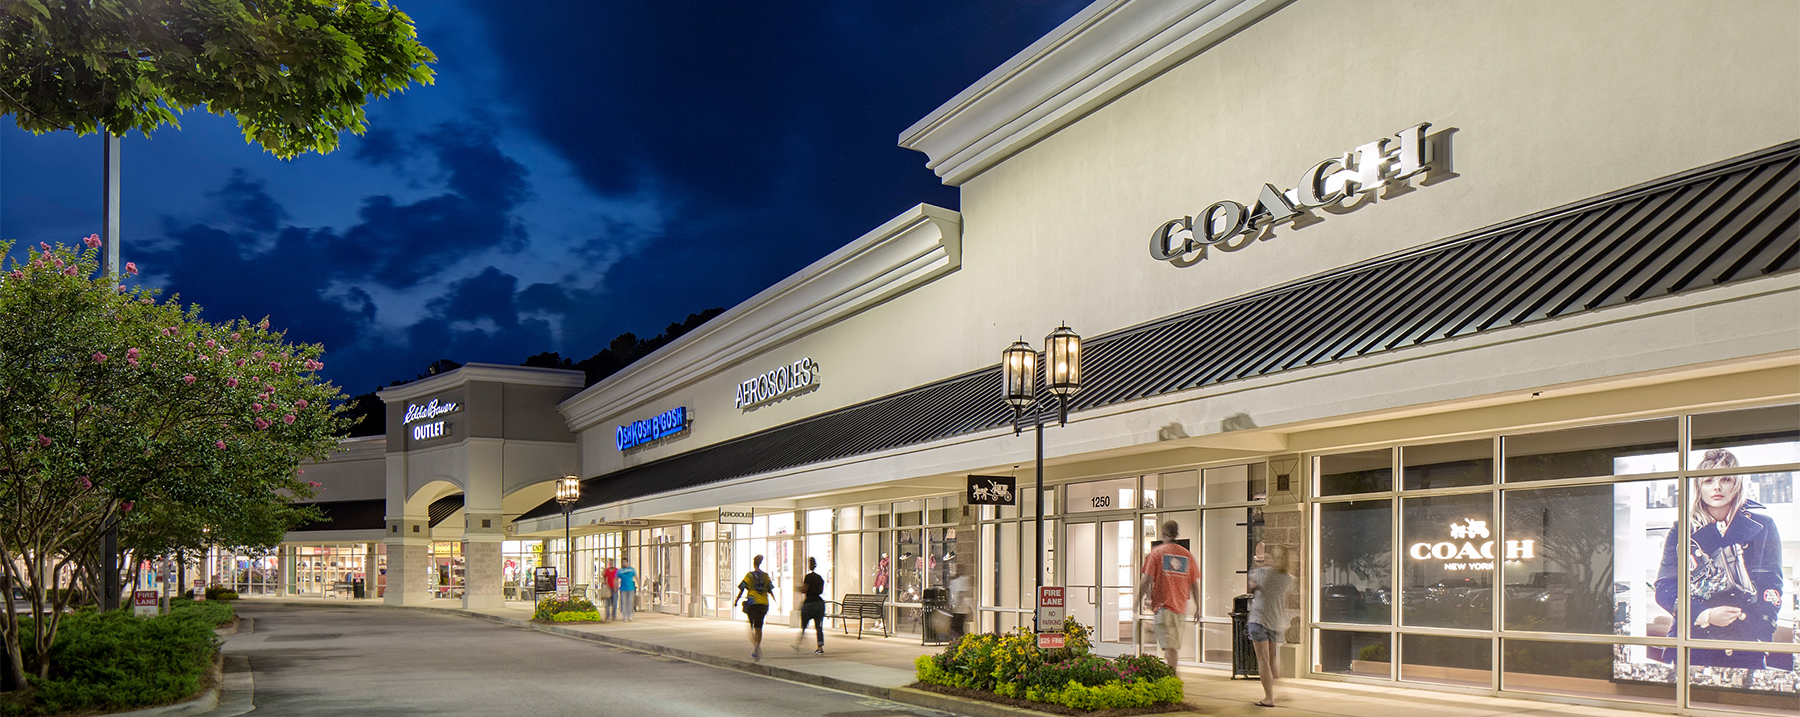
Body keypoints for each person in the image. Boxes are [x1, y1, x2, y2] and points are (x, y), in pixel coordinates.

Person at [1654, 448, 1785, 670]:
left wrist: (1756, 627)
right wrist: (1706, 614)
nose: (1717, 487)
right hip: (1692, 644)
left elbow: (1772, 586)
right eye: (1708, 480)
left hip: (1745, 645)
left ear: (1737, 484)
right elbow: (1665, 587)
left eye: (1725, 479)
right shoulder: (1682, 529)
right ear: (1698, 487)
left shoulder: (1763, 526)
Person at [1139, 520, 1200, 669]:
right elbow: (1194, 584)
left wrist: (1137, 601)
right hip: (1180, 608)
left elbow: (1146, 580)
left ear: (1163, 533)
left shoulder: (1157, 553)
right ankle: (1171, 675)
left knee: (1169, 647)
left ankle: (1173, 677)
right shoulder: (1186, 555)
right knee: (1170, 646)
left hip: (1163, 607)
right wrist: (1199, 607)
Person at [1247, 543, 1294, 708]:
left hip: (1259, 620)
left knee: (1263, 659)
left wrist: (1257, 560)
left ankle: (1269, 697)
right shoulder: (1289, 578)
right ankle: (1278, 688)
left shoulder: (1262, 573)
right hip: (1276, 622)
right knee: (1273, 658)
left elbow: (1251, 586)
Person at [734, 555, 775, 660]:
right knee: (759, 627)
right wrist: (775, 600)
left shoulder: (750, 576)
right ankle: (756, 647)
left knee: (750, 627)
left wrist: (737, 600)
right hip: (764, 604)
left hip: (753, 603)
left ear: (754, 563)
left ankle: (756, 647)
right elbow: (770, 589)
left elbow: (742, 588)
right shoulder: (765, 576)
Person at [793, 557, 826, 654]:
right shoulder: (820, 578)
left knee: (804, 624)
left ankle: (799, 643)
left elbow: (804, 589)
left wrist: (797, 588)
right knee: (819, 626)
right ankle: (820, 647)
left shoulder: (808, 577)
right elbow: (821, 590)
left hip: (810, 603)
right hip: (819, 603)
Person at [616, 558, 638, 622]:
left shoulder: (631, 570)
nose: (624, 563)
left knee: (630, 602)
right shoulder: (620, 571)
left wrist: (639, 585)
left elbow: (636, 577)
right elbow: (616, 578)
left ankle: (630, 615)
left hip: (631, 588)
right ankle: (625, 616)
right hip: (623, 589)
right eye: (623, 562)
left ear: (627, 562)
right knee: (624, 602)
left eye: (625, 562)